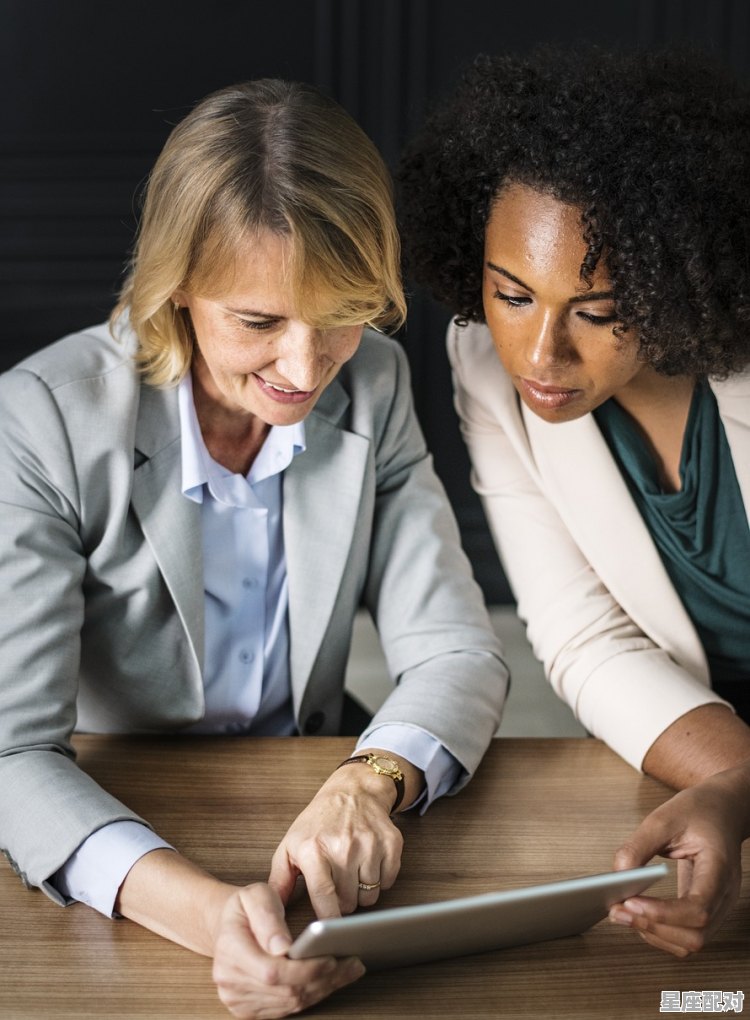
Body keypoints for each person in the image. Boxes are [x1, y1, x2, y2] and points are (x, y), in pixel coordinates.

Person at [0, 80, 508, 1018]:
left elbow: (459, 651)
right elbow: (12, 753)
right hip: (120, 812)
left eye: (342, 311)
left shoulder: (375, 381)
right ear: (176, 289)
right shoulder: (40, 421)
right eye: (260, 322)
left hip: (309, 789)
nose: (306, 370)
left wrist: (367, 782)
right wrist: (208, 917)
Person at [398, 45, 750, 960]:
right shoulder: (489, 367)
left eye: (596, 312)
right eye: (511, 295)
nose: (539, 354)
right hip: (703, 754)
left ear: (678, 282)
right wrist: (735, 784)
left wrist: (740, 799)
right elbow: (583, 638)